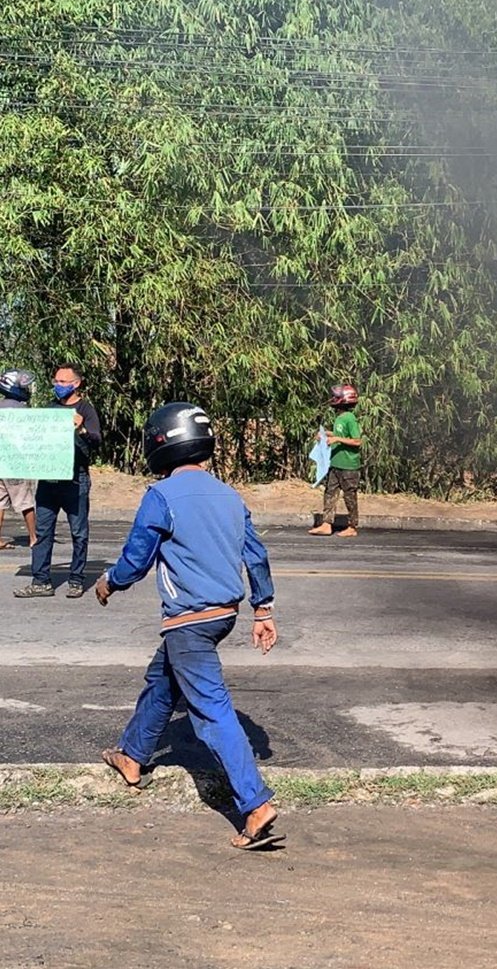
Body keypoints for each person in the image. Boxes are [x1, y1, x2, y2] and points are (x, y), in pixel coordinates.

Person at [94, 402, 283, 851]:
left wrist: (108, 583)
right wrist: (263, 611)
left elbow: (136, 560)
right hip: (222, 616)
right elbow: (255, 556)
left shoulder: (161, 497)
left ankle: (254, 804)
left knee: (210, 711)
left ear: (159, 444)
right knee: (162, 682)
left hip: (190, 620)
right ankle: (132, 756)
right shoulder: (230, 495)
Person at [13, 363, 101, 598]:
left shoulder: (85, 410)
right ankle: (41, 580)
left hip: (75, 480)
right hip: (49, 480)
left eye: (63, 382)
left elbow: (96, 440)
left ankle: (76, 579)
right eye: (56, 381)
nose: (58, 386)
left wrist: (81, 428)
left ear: (76, 383)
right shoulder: (49, 409)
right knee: (42, 532)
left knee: (78, 533)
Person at [308, 383, 362, 538]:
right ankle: (326, 524)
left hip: (349, 465)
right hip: (335, 463)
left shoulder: (350, 418)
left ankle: (352, 526)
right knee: (330, 493)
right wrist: (327, 434)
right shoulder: (339, 417)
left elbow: (357, 441)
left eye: (337, 397)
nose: (334, 399)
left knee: (349, 495)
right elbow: (339, 433)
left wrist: (337, 438)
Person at [0, 369, 38, 550]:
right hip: (16, 463)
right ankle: (33, 537)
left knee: (0, 503)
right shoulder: (22, 409)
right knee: (25, 501)